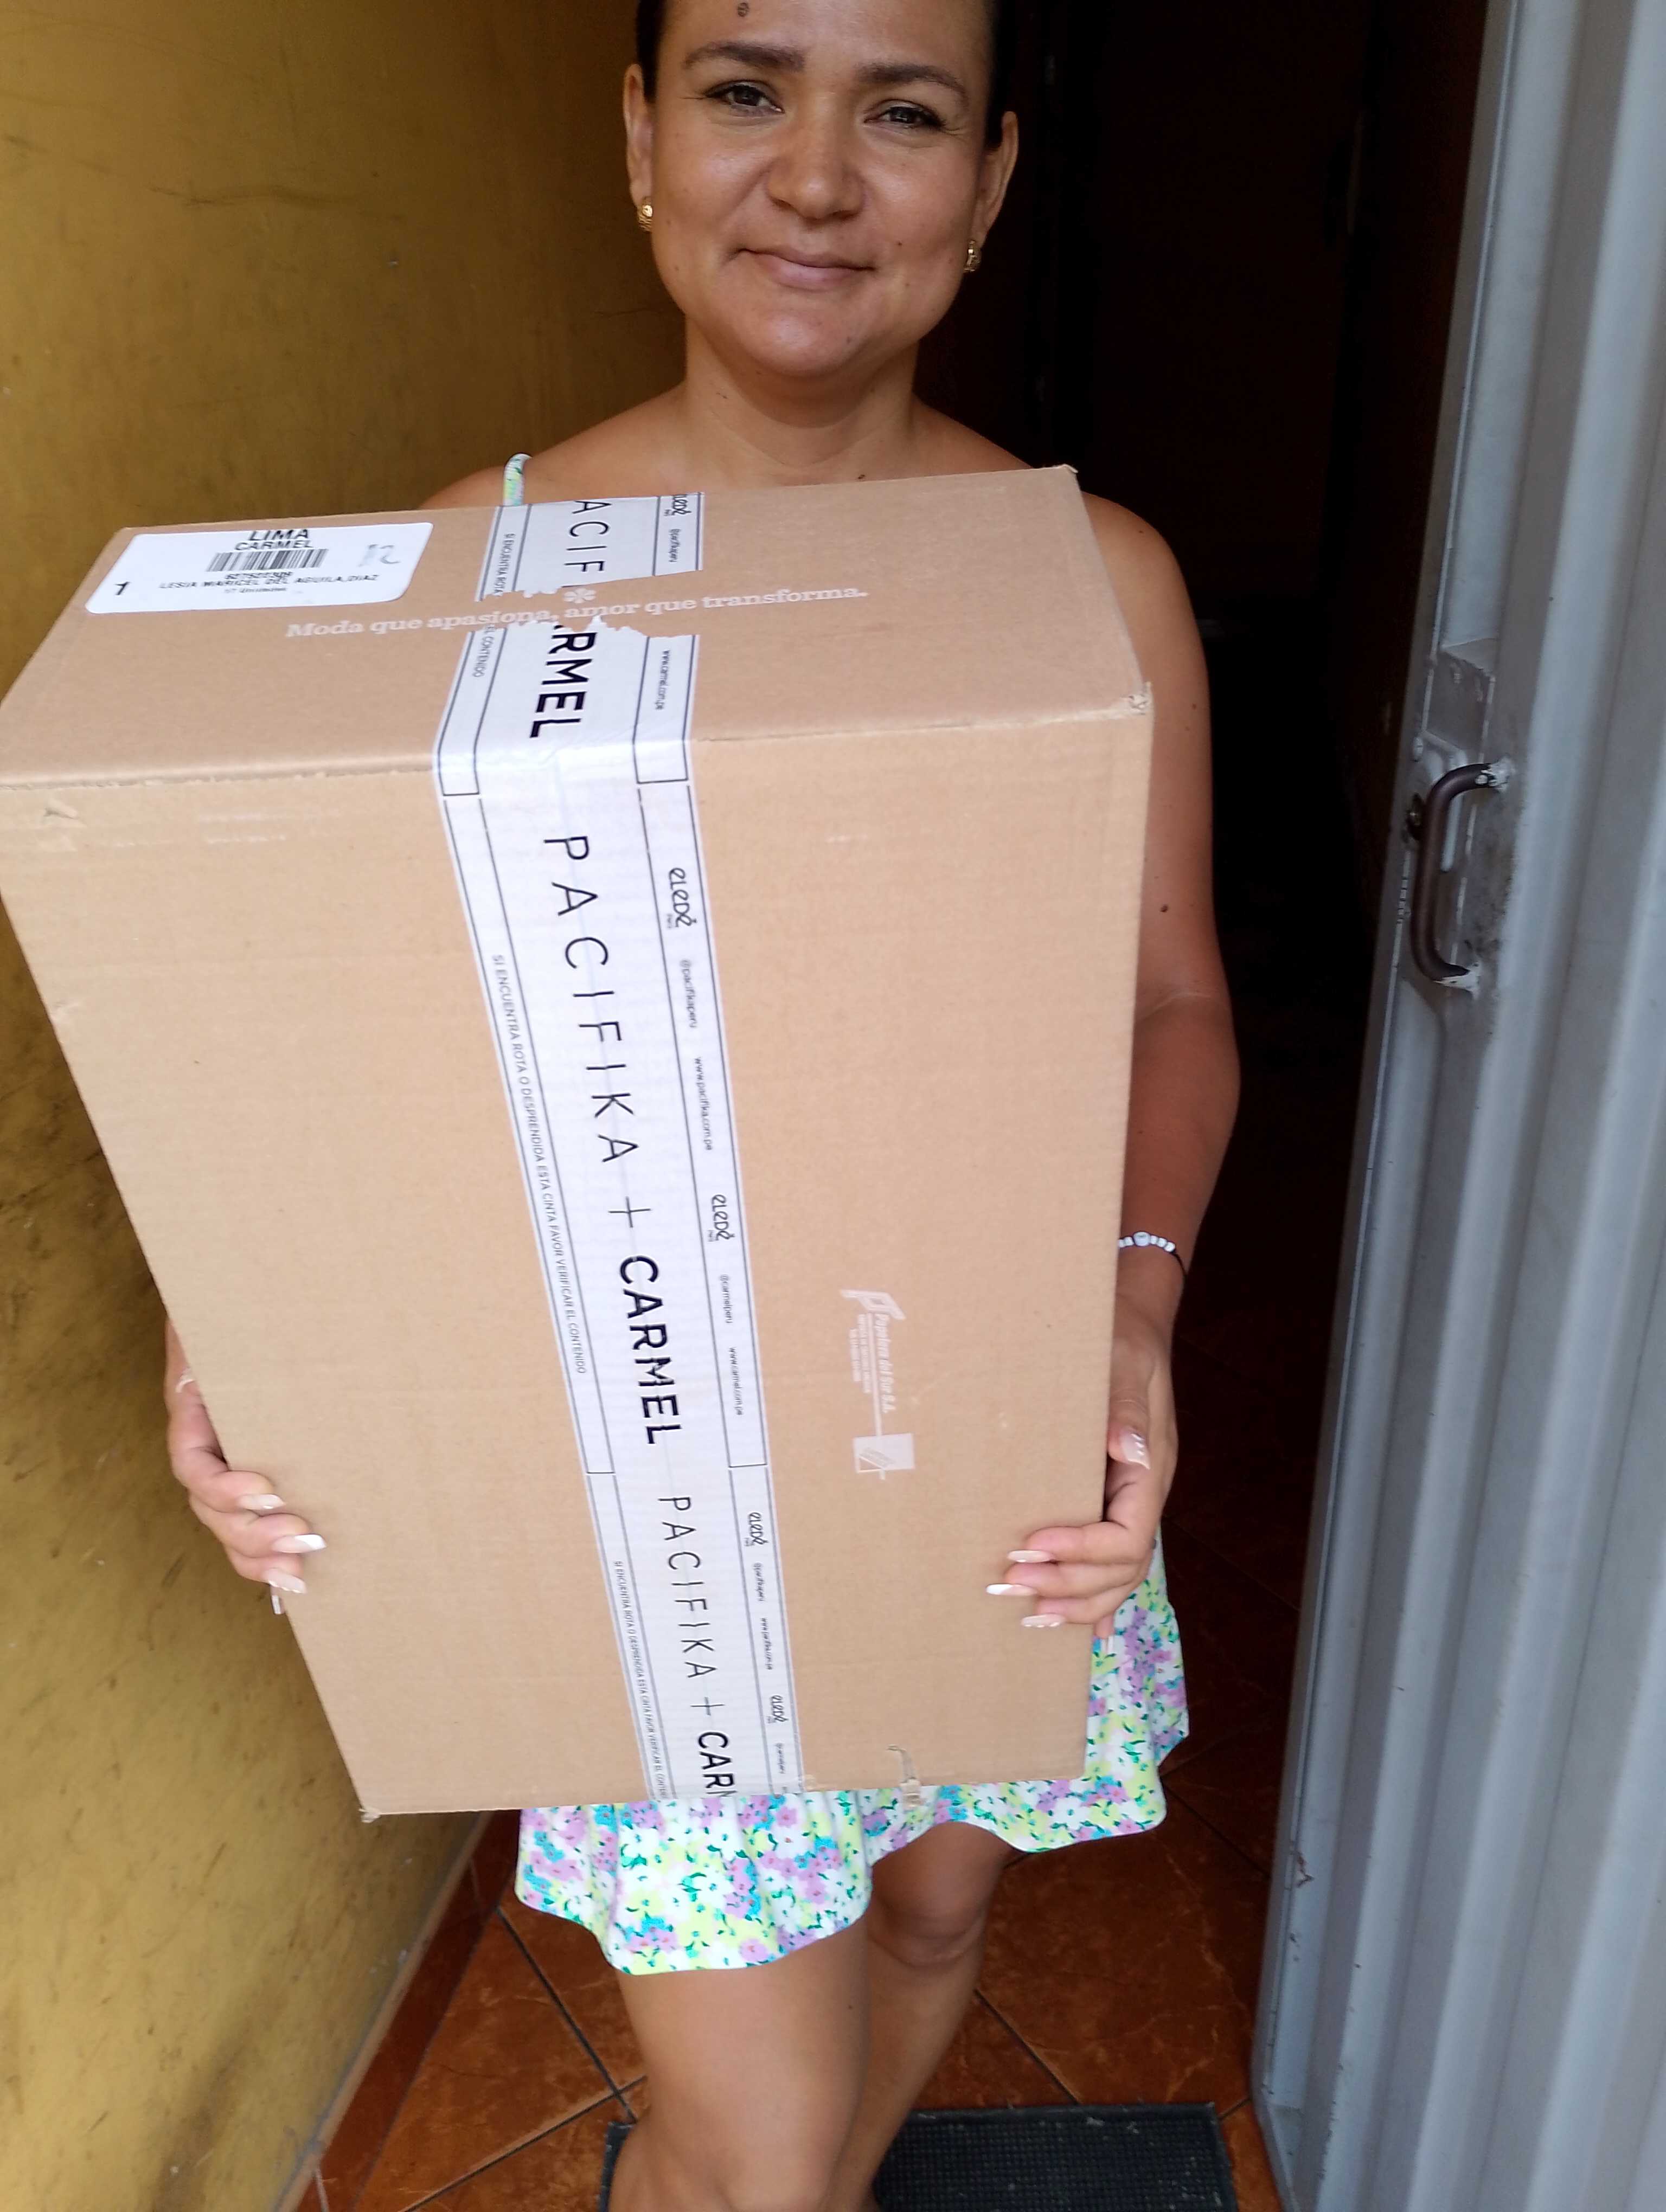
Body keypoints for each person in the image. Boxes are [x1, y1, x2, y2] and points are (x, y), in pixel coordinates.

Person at [163, 3, 1239, 2205]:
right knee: (749, 2153)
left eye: (904, 112)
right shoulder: (463, 576)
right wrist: (235, 1335)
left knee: (930, 1923)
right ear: (644, 135)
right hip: (640, 1492)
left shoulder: (1092, 579)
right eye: (748, 90)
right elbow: (328, 1054)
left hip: (970, 1440)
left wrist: (1132, 1309)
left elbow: (1171, 1003)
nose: (818, 177)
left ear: (990, 181)